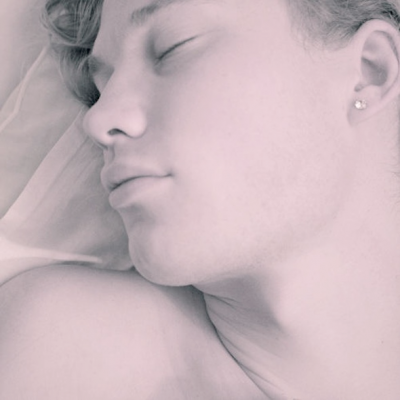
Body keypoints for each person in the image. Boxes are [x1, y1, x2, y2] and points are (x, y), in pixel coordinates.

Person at [1, 0, 400, 398]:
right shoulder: (64, 358)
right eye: (98, 91)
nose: (97, 120)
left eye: (172, 47)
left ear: (369, 70)